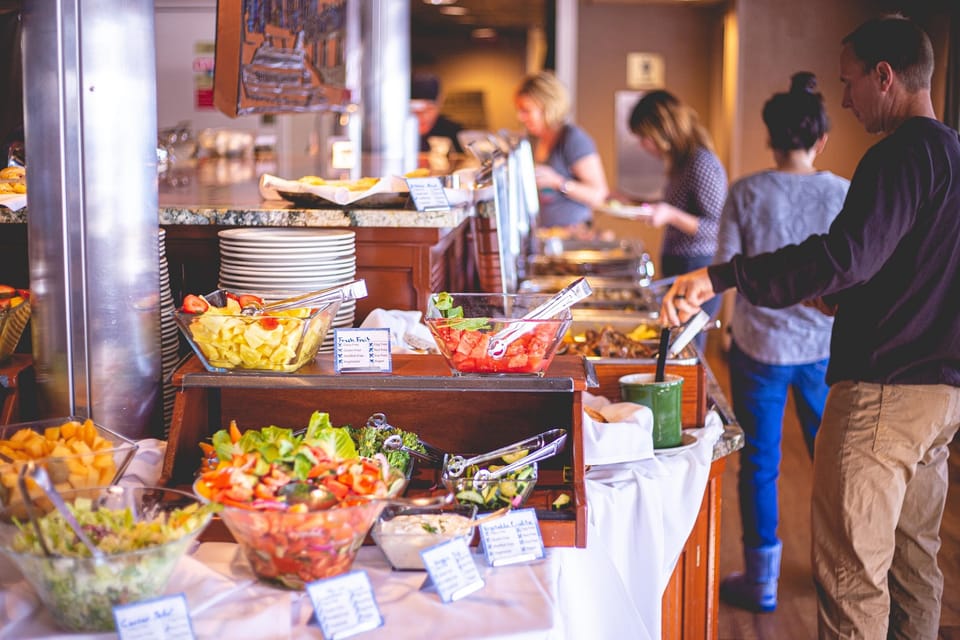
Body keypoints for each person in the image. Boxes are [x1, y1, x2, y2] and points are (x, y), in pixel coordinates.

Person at [661, 17, 960, 639]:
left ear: (886, 75)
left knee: (852, 580)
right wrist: (849, 299)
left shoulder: (899, 154)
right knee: (914, 570)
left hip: (884, 394)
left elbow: (844, 257)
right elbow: (912, 268)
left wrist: (721, 277)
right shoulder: (953, 154)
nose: (844, 100)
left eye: (851, 82)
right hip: (942, 397)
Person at [715, 72, 849, 613]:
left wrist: (725, 330)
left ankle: (762, 580)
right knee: (834, 462)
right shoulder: (843, 192)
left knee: (761, 463)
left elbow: (725, 271)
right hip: (825, 349)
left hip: (759, 347)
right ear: (821, 138)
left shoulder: (746, 192)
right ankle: (837, 572)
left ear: (771, 136)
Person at [628, 90, 727, 346]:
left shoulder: (701, 162)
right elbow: (674, 207)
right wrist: (630, 200)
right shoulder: (681, 161)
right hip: (681, 264)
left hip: (697, 265)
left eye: (643, 137)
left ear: (661, 130)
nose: (643, 145)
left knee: (688, 347)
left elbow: (719, 227)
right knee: (679, 341)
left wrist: (670, 214)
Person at [515, 71, 608, 230]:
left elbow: (598, 195)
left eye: (526, 110)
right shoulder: (535, 139)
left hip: (574, 234)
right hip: (547, 232)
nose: (520, 117)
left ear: (547, 107)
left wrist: (559, 182)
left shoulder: (573, 139)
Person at [410, 72, 464, 155]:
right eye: (414, 110)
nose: (422, 117)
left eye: (429, 109)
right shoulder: (394, 134)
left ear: (440, 102)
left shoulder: (454, 133)